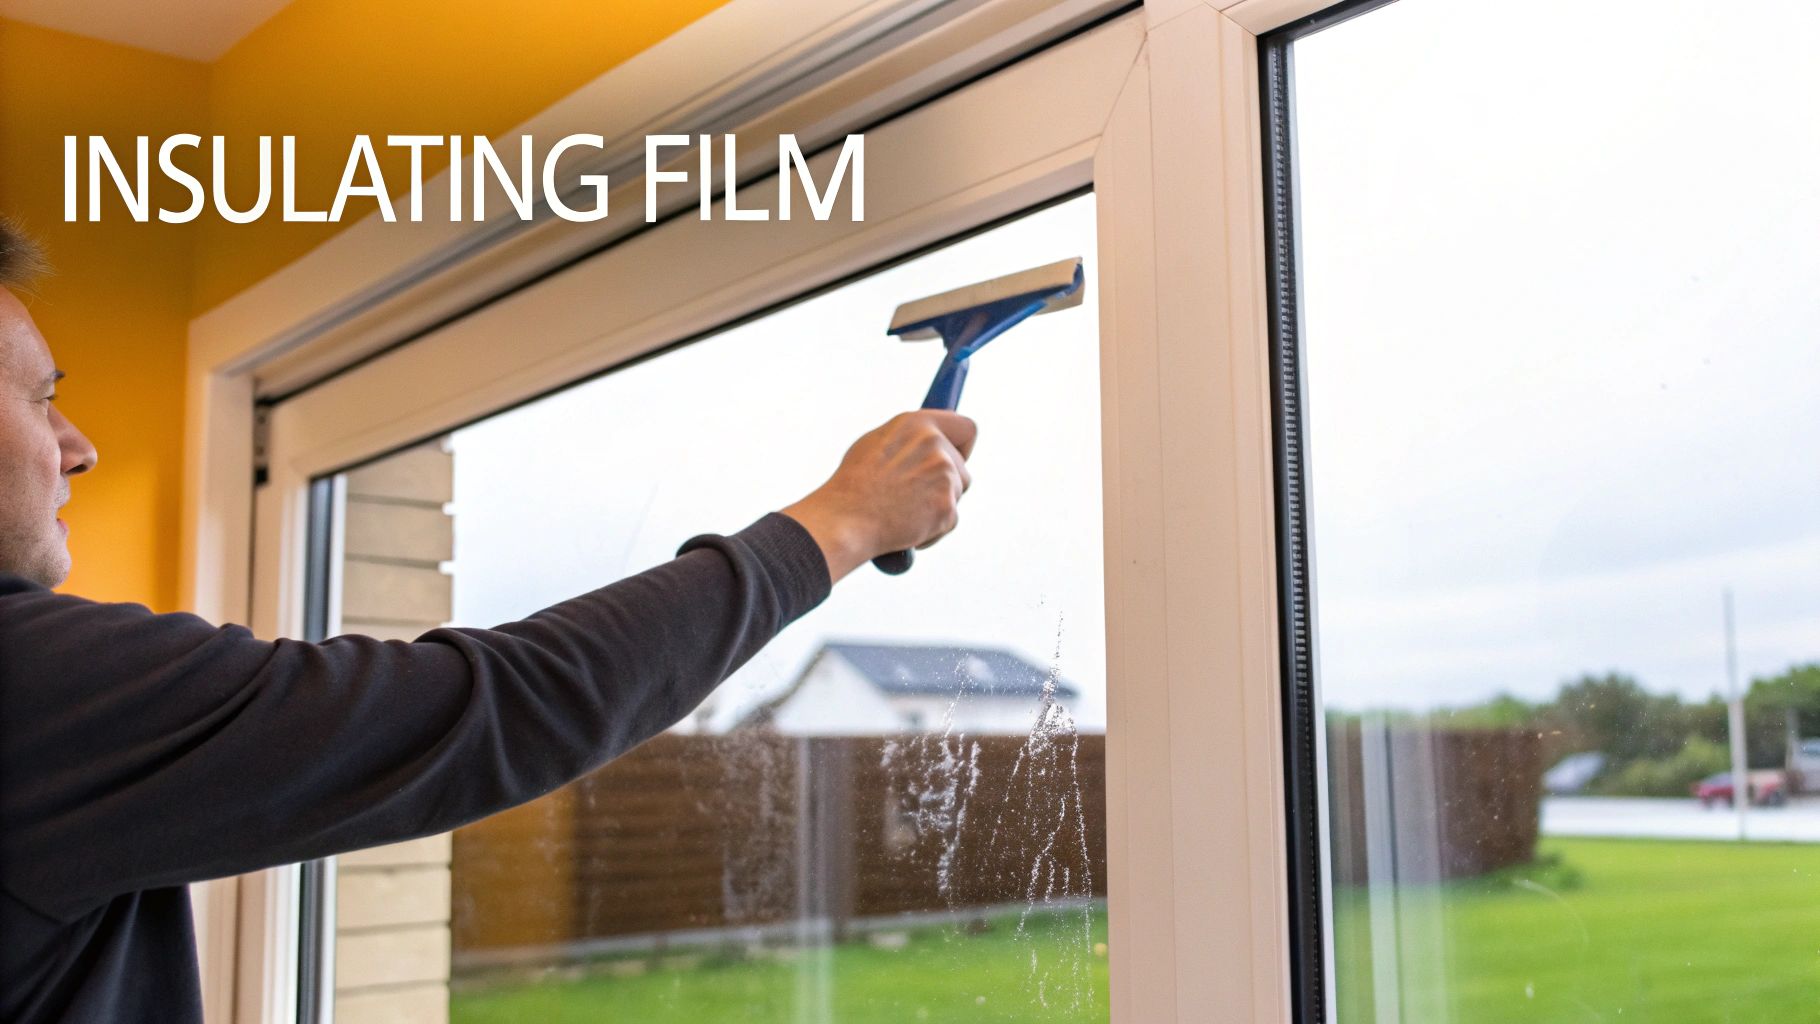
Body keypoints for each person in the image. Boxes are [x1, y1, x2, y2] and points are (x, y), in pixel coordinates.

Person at [0, 216, 978, 1023]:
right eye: (43, 399)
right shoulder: (31, 683)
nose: (77, 447)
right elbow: (491, 707)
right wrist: (839, 523)